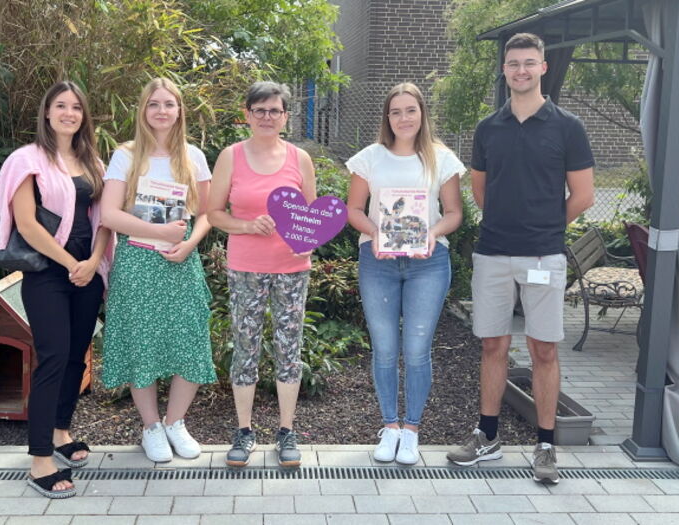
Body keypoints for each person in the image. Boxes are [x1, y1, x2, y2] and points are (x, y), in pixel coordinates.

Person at [446, 33, 595, 484]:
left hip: (543, 255)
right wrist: (507, 221)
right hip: (493, 253)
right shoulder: (488, 128)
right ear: (505, 70)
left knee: (543, 349)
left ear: (543, 68)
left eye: (529, 63)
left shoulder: (568, 127)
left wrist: (545, 227)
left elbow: (584, 196)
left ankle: (545, 445)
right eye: (514, 64)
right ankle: (487, 438)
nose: (521, 70)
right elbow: (479, 189)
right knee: (493, 345)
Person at [0, 80, 113, 498]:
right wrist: (71, 264)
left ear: (84, 116)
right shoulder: (26, 159)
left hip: (87, 270)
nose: (69, 113)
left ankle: (61, 431)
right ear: (47, 113)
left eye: (76, 107)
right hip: (48, 270)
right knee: (53, 356)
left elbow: (106, 219)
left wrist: (94, 261)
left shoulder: (93, 160)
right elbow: (25, 223)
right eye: (60, 106)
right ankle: (40, 457)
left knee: (76, 357)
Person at [345, 82, 464, 465]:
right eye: (395, 111)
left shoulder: (441, 159)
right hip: (378, 262)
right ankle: (390, 427)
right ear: (387, 117)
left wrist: (432, 234)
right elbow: (354, 211)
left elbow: (454, 213)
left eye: (410, 110)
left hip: (427, 264)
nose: (403, 118)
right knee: (383, 349)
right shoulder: (369, 158)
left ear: (422, 113)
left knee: (415, 351)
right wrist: (374, 232)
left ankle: (411, 430)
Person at [99, 78, 216, 462]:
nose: (161, 111)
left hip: (181, 261)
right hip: (137, 262)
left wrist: (189, 242)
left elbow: (207, 214)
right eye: (154, 104)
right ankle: (150, 426)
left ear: (180, 110)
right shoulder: (126, 155)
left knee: (190, 340)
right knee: (142, 343)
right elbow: (110, 214)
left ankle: (175, 422)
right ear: (142, 110)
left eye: (169, 104)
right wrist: (158, 231)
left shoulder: (193, 156)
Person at [206, 81, 316, 468]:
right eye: (260, 110)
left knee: (289, 349)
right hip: (246, 268)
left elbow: (309, 219)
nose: (267, 117)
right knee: (246, 348)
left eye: (275, 111)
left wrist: (307, 242)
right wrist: (247, 226)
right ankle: (244, 430)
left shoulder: (300, 159)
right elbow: (214, 214)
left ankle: (287, 431)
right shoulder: (230, 156)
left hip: (291, 269)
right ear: (247, 114)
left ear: (286, 116)